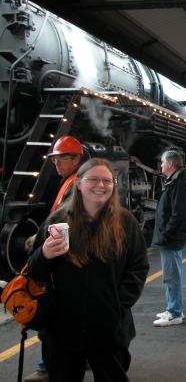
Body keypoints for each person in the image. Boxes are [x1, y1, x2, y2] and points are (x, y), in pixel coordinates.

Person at [27, 158, 149, 381]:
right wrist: (44, 254)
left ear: (113, 186)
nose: (100, 185)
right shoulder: (58, 220)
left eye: (107, 180)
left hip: (109, 326)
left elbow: (138, 267)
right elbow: (35, 272)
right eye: (93, 179)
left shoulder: (126, 222)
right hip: (63, 327)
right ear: (79, 184)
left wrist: (118, 303)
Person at [24, 136, 84, 382]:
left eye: (61, 159)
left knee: (53, 317)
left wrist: (40, 246)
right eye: (55, 159)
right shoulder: (71, 181)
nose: (56, 164)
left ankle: (47, 368)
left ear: (76, 159)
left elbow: (64, 222)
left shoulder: (76, 184)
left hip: (63, 260)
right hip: (63, 255)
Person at [151, 149, 186, 326]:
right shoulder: (175, 181)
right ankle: (172, 308)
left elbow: (179, 213)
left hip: (171, 238)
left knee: (171, 275)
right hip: (170, 237)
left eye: (162, 162)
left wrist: (166, 232)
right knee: (171, 274)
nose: (161, 165)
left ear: (170, 164)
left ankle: (174, 312)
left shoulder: (179, 184)